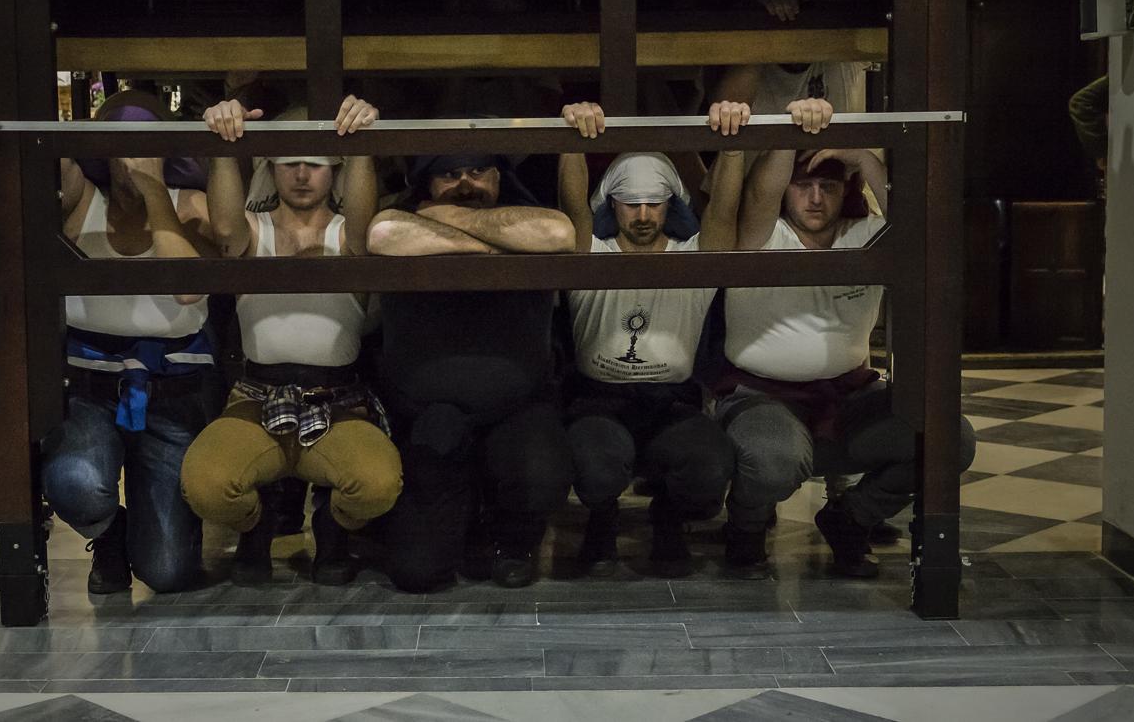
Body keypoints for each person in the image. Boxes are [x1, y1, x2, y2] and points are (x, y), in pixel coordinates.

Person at [717, 127, 976, 578]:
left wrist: (866, 155)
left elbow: (921, 226)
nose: (815, 198)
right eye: (803, 186)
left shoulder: (866, 235)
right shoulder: (765, 234)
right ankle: (746, 527)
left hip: (849, 397)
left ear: (845, 192)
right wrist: (788, 132)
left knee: (949, 436)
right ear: (787, 191)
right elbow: (760, 194)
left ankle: (851, 518)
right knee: (774, 457)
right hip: (762, 397)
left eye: (828, 187)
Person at [181, 95, 403, 587]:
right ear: (271, 167)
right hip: (257, 398)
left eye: (317, 163)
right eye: (290, 162)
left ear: (336, 170)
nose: (302, 174)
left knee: (377, 485)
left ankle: (332, 526)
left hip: (338, 399)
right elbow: (224, 230)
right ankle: (257, 526)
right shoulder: (251, 231)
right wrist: (223, 137)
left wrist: (363, 140)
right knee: (207, 484)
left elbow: (366, 235)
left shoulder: (351, 236)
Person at [367, 153, 577, 591]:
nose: (466, 183)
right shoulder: (401, 218)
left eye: (477, 171)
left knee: (542, 472)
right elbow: (385, 235)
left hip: (517, 408)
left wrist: (446, 219)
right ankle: (460, 521)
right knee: (417, 572)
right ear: (425, 183)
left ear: (499, 176)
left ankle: (512, 538)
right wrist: (494, 247)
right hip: (430, 415)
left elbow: (557, 233)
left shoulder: (531, 214)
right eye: (448, 173)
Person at [40, 92, 222, 594]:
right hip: (91, 387)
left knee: (167, 572)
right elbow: (48, 153)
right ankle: (110, 534)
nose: (132, 162)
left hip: (173, 390)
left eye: (146, 148)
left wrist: (155, 187)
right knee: (75, 483)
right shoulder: (83, 198)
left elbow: (187, 288)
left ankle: (154, 532)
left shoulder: (189, 204)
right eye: (124, 150)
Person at [556, 101, 747, 577]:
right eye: (630, 202)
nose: (642, 214)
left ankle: (669, 518)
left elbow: (724, 210)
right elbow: (571, 206)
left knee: (708, 465)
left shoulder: (693, 262)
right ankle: (601, 519)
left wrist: (732, 138)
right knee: (594, 462)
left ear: (671, 205)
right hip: (599, 401)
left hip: (673, 403)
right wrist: (574, 134)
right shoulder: (590, 256)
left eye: (653, 203)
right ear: (612, 204)